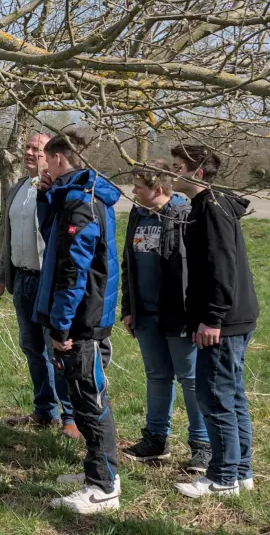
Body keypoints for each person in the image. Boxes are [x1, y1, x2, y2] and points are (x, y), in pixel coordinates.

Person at [33, 133, 124, 515]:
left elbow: (73, 272)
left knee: (90, 400)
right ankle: (97, 471)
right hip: (79, 317)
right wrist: (44, 196)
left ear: (57, 158)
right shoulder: (72, 196)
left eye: (44, 159)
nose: (41, 165)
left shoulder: (81, 203)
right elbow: (52, 240)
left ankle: (103, 487)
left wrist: (62, 326)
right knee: (83, 395)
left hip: (82, 320)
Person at [168, 143, 260, 499]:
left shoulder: (212, 209)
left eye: (177, 166)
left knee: (217, 396)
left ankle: (222, 477)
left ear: (197, 173)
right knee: (232, 395)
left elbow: (221, 267)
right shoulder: (208, 205)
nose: (172, 171)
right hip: (231, 318)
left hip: (223, 321)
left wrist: (212, 319)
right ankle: (241, 469)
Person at [119, 163, 209, 472]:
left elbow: (198, 268)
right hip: (145, 315)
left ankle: (202, 445)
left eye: (139, 187)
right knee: (157, 376)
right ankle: (156, 439)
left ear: (158, 190)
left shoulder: (185, 215)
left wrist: (200, 315)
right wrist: (128, 307)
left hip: (179, 315)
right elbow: (127, 263)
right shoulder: (138, 214)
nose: (133, 191)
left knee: (191, 379)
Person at [0, 131, 77, 438]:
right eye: (27, 146)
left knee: (56, 349)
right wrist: (2, 274)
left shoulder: (59, 189)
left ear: (52, 154)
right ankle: (44, 411)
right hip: (23, 279)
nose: (29, 152)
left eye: (36, 148)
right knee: (32, 348)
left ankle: (71, 416)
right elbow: (9, 234)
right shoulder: (18, 188)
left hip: (48, 282)